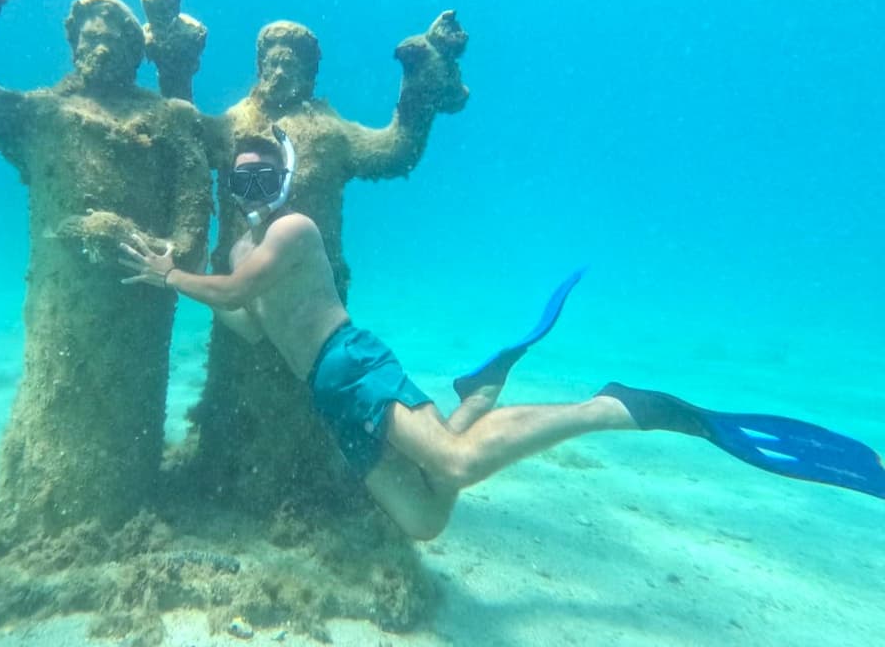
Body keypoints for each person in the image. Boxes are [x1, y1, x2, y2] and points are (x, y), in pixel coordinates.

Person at [121, 129, 885, 539]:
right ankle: (478, 393)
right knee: (425, 519)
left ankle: (602, 406)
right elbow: (247, 323)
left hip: (351, 365)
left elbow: (233, 290)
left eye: (262, 175)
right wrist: (196, 286)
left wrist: (171, 276)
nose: (251, 186)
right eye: (240, 178)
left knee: (452, 461)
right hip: (327, 397)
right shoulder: (239, 251)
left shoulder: (293, 228)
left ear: (281, 183)